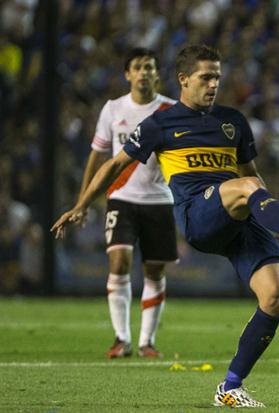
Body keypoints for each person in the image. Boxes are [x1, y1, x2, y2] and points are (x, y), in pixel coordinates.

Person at [52, 44, 279, 408]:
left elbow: (252, 177)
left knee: (275, 297)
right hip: (197, 215)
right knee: (246, 190)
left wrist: (269, 212)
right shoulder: (161, 123)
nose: (213, 83)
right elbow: (115, 165)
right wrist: (81, 204)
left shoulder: (234, 121)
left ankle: (230, 387)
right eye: (205, 77)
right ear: (183, 80)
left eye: (217, 76)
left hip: (239, 212)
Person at [78, 48, 176, 359]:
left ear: (157, 74)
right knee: (118, 262)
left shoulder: (171, 110)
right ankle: (122, 338)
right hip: (122, 197)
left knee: (155, 270)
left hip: (160, 199)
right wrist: (82, 202)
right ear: (128, 74)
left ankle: (147, 341)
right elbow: (98, 155)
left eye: (149, 66)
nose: (144, 72)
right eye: (138, 67)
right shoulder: (113, 108)